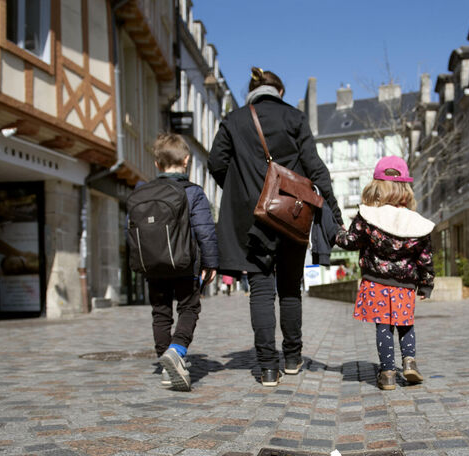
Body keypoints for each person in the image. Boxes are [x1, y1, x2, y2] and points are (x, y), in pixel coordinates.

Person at [209, 67, 342, 387]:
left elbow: (216, 163)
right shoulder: (294, 118)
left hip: (251, 218)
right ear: (278, 91)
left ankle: (268, 367)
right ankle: (293, 358)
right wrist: (334, 214)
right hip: (291, 215)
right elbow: (314, 166)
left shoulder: (234, 120)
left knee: (261, 290)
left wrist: (242, 190)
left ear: (251, 92)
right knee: (289, 289)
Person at [335, 156, 435, 391]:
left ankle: (388, 373)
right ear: (405, 188)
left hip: (375, 282)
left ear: (377, 186)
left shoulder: (368, 216)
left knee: (383, 326)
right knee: (405, 324)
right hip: (405, 284)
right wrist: (426, 284)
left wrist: (335, 232)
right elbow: (425, 258)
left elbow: (350, 242)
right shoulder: (416, 223)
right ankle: (409, 362)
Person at [142, 133, 218, 391]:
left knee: (160, 311)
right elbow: (205, 230)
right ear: (186, 161)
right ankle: (176, 351)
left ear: (157, 164)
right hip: (186, 262)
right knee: (189, 308)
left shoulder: (143, 192)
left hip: (154, 263)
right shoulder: (194, 192)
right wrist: (211, 262)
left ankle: (166, 365)